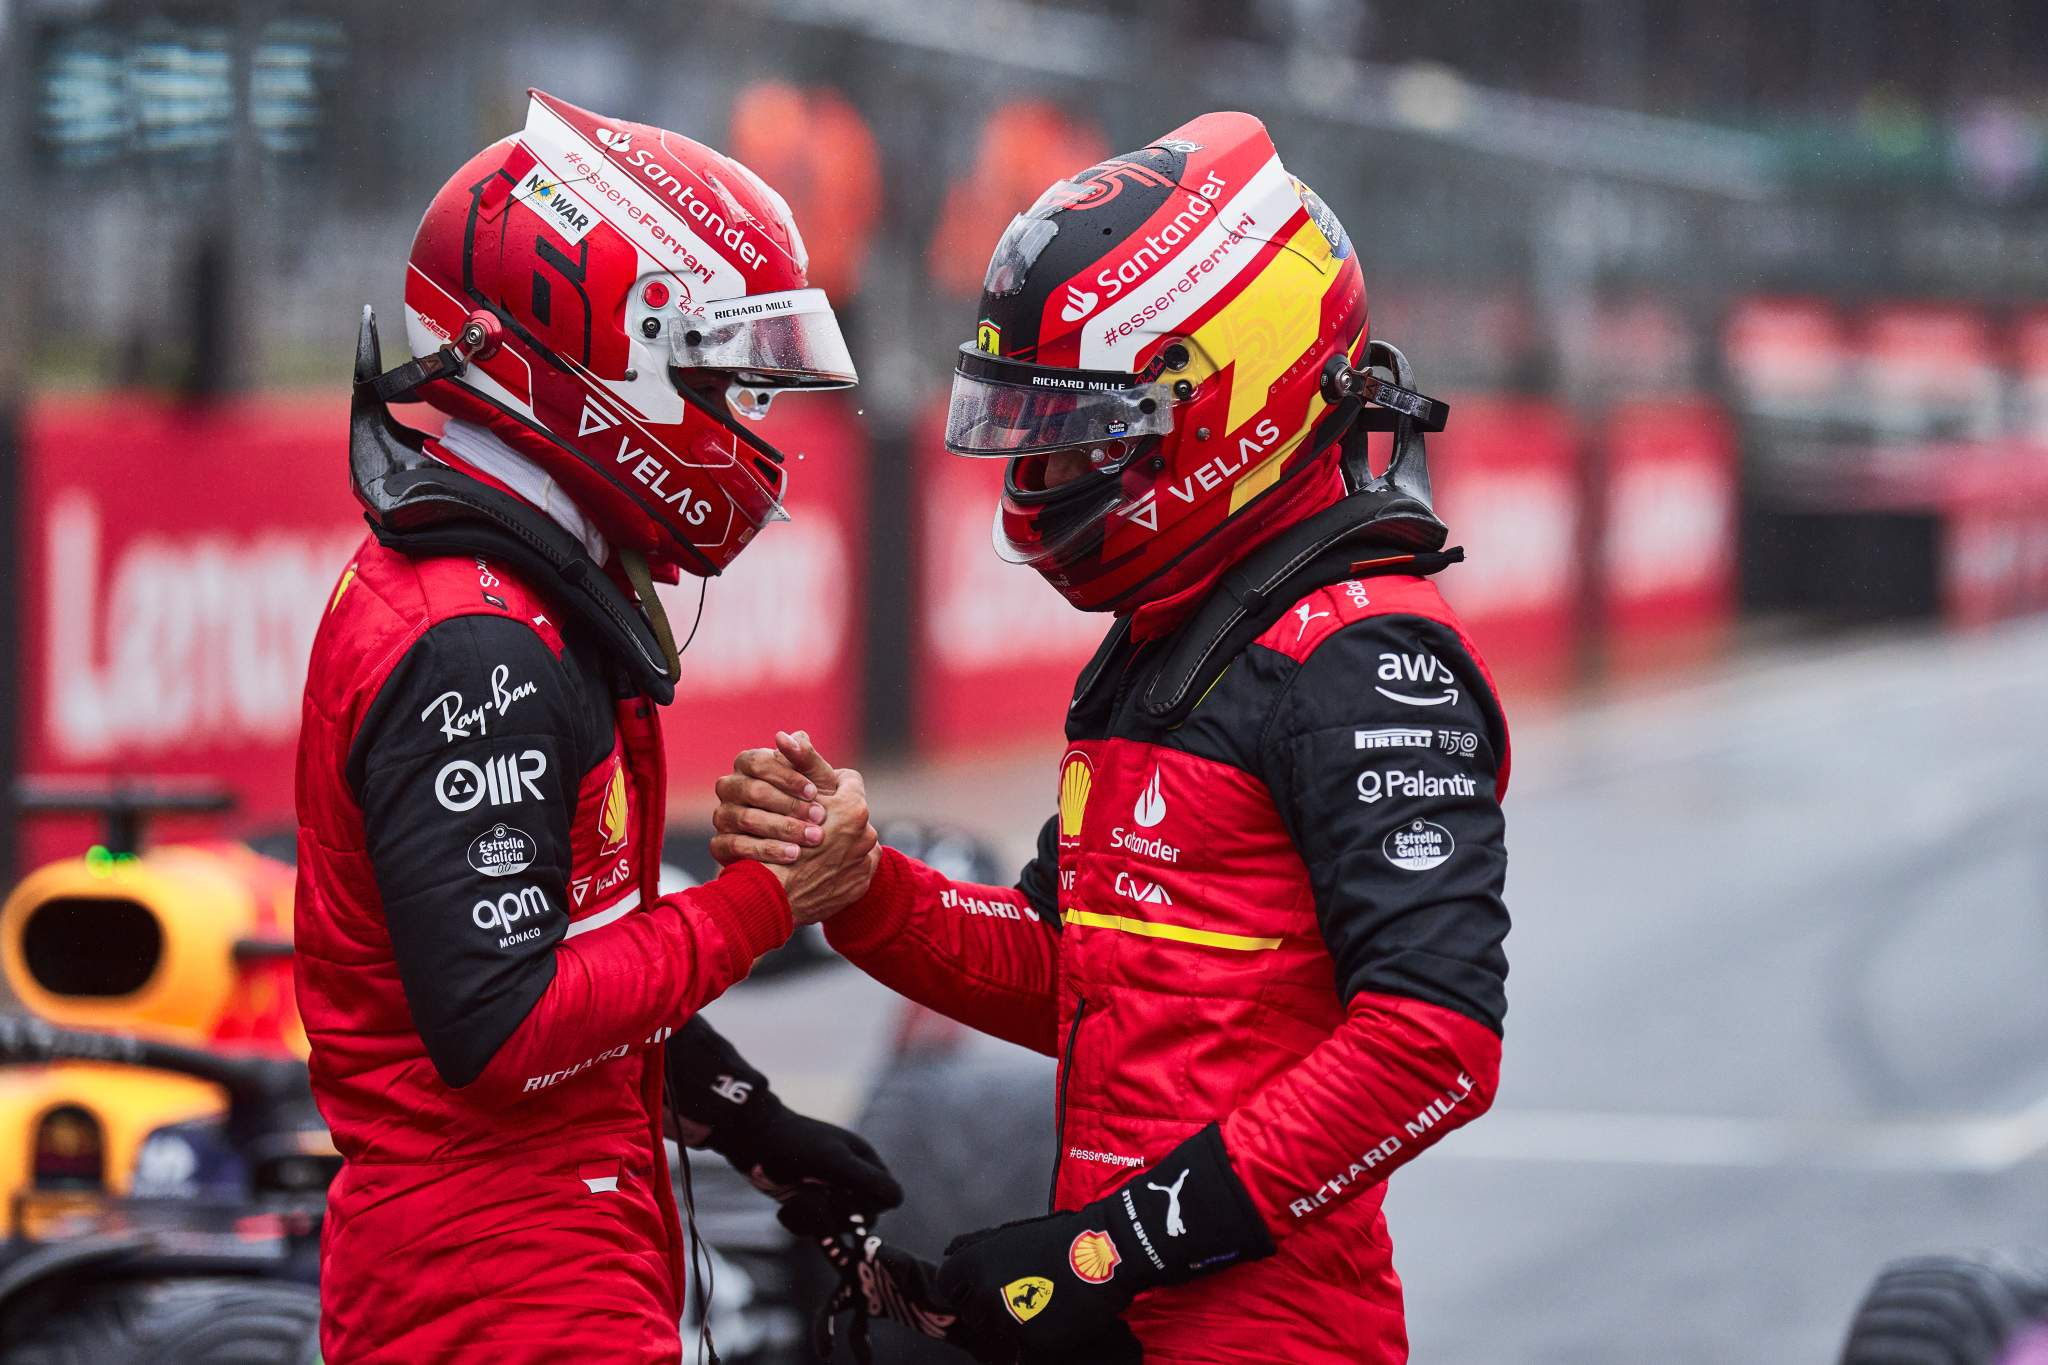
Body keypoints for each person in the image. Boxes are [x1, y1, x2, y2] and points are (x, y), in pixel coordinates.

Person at [714, 112, 1511, 1364]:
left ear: (1224, 397)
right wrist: (864, 890)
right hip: (1120, 1326)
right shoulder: (1168, 640)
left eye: (1083, 427)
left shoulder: (1364, 657)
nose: (1046, 464)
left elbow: (1434, 1043)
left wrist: (1108, 1248)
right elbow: (1080, 978)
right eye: (1037, 426)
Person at [294, 90, 896, 1364]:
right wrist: (762, 904)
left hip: (537, 1257)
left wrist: (746, 1119)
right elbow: (506, 1030)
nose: (747, 430)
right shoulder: (476, 640)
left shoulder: (520, 589)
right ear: (611, 351)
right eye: (723, 384)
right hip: (496, 1290)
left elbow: (582, 960)